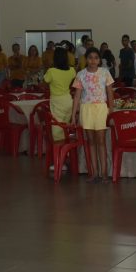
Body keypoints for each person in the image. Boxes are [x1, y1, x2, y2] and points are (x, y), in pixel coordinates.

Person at [71, 48, 114, 183]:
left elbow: (110, 92)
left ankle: (105, 173)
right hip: (86, 109)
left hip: (101, 108)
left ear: (99, 60)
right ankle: (94, 172)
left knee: (101, 141)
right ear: (86, 59)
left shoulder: (105, 72)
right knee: (91, 142)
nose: (93, 60)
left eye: (96, 57)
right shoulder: (81, 74)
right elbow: (77, 95)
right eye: (90, 57)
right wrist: (74, 114)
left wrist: (111, 109)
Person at [43, 47, 76, 143]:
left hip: (57, 101)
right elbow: (72, 84)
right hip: (68, 100)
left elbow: (44, 83)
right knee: (65, 126)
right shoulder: (72, 70)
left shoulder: (51, 71)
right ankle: (66, 150)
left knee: (57, 129)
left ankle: (59, 152)